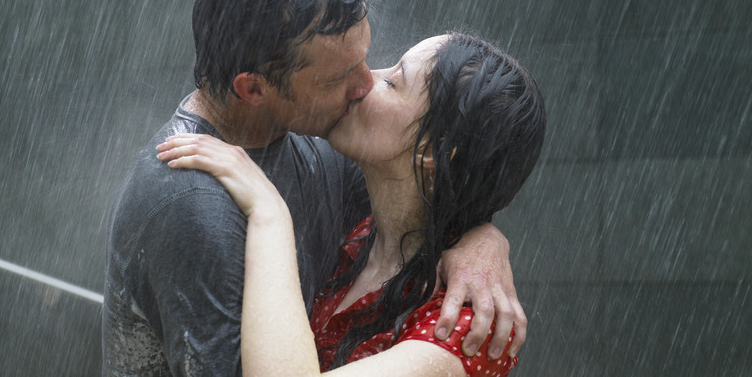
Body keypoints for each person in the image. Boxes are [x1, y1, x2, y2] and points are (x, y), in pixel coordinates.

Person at [103, 0, 526, 375]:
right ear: (253, 89)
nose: (364, 84)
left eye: (377, 68)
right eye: (342, 76)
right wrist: (271, 215)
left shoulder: (328, 149)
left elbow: (444, 188)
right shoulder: (191, 205)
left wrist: (482, 240)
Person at [156, 32, 546, 376]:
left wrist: (269, 212)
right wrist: (486, 235)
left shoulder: (467, 326)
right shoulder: (361, 224)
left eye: (393, 82)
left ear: (436, 151)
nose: (363, 81)